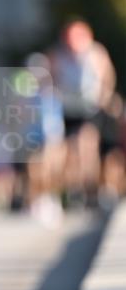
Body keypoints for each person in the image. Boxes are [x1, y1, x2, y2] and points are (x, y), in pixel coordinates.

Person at [48, 18, 116, 207]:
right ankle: (73, 188)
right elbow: (50, 77)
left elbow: (108, 74)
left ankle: (91, 188)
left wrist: (105, 95)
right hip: (68, 107)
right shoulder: (58, 55)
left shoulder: (96, 53)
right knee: (70, 150)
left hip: (90, 107)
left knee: (87, 146)